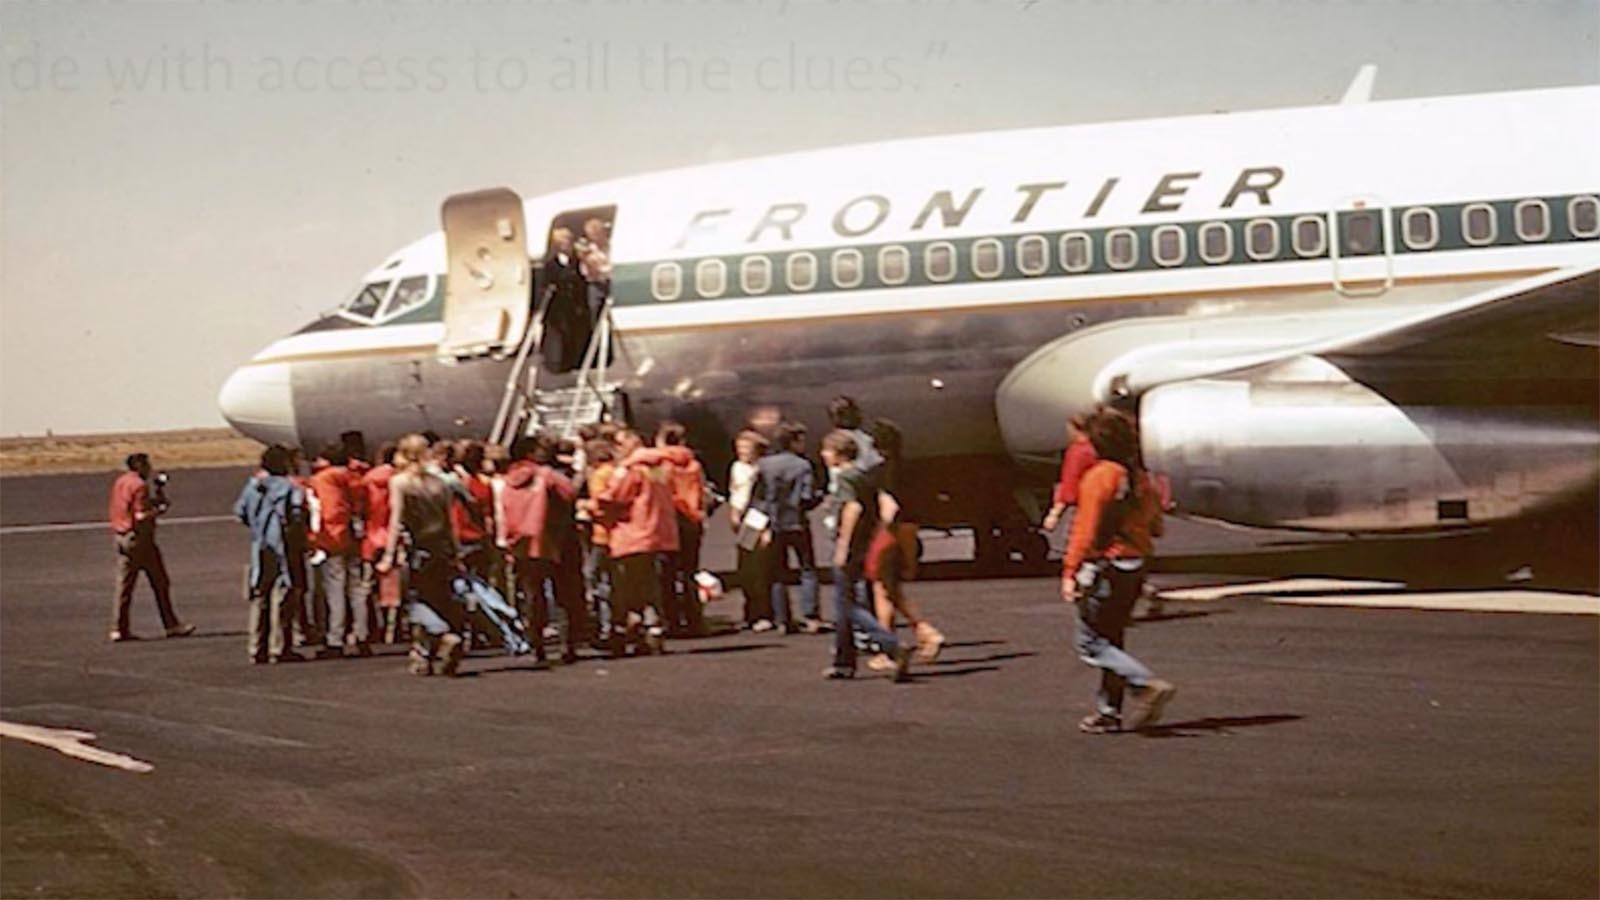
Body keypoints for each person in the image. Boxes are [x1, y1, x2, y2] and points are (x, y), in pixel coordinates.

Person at [1061, 408, 1175, 734]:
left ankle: (1145, 683)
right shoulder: (1141, 478)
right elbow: (1157, 528)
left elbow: (1085, 531)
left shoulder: (1100, 477)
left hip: (1105, 565)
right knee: (1113, 638)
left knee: (1091, 643)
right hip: (1136, 564)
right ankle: (1108, 712)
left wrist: (1070, 571)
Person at [818, 431, 911, 682]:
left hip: (850, 546)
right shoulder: (864, 476)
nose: (823, 455)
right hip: (866, 544)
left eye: (826, 451)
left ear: (838, 454)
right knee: (845, 604)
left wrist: (843, 546)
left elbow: (853, 508)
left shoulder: (846, 478)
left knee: (846, 604)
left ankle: (889, 644)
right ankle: (843, 662)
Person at [378, 434, 467, 676]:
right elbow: (449, 523)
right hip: (442, 549)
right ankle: (425, 653)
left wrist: (388, 555)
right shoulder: (441, 484)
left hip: (416, 549)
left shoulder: (400, 482)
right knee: (439, 599)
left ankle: (441, 637)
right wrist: (456, 552)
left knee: (416, 602)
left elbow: (397, 520)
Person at [591, 428, 679, 657]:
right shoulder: (661, 468)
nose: (616, 449)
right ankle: (654, 630)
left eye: (619, 444)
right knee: (649, 586)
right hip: (656, 533)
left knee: (624, 589)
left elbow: (614, 497)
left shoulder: (630, 470)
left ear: (629, 445)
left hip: (631, 533)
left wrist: (590, 505)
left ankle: (624, 633)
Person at [497, 432, 582, 663]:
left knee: (532, 595)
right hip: (555, 538)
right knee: (565, 593)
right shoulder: (547, 475)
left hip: (523, 541)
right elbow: (570, 493)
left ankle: (536, 644)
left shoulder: (509, 479)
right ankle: (568, 645)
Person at [107, 453, 194, 641]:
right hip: (140, 540)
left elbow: (126, 506)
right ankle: (171, 624)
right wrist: (158, 511)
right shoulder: (139, 485)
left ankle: (118, 627)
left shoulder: (121, 482)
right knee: (160, 582)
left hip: (121, 536)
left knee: (125, 585)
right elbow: (140, 515)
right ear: (139, 466)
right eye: (147, 465)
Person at [235, 445, 308, 664]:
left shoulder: (253, 487)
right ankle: (279, 646)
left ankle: (256, 647)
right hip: (284, 546)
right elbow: (296, 515)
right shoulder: (290, 488)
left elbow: (240, 512)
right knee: (282, 595)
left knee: (259, 596)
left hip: (260, 546)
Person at [752, 421, 826, 635]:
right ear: (794, 441)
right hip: (797, 522)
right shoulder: (803, 466)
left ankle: (783, 619)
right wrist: (818, 499)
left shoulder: (764, 465)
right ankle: (811, 616)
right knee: (807, 569)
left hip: (774, 524)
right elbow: (807, 497)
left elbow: (758, 497)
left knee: (777, 573)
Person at [309, 443, 372, 657]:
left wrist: (317, 539)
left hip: (333, 537)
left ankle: (335, 638)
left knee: (335, 589)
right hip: (354, 536)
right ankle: (362, 635)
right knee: (357, 589)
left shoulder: (324, 479)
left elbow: (326, 510)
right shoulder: (355, 478)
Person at [655, 421, 708, 637]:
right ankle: (694, 619)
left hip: (669, 520)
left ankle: (671, 620)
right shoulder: (694, 465)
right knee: (689, 572)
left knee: (666, 574)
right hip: (692, 520)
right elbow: (702, 491)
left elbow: (657, 491)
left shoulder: (660, 465)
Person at [727, 429, 772, 630]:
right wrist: (734, 513)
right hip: (742, 518)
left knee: (759, 568)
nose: (742, 452)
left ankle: (763, 613)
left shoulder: (762, 470)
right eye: (739, 448)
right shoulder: (737, 467)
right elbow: (734, 492)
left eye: (746, 448)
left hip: (756, 518)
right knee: (745, 567)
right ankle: (749, 612)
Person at [362, 443, 403, 643]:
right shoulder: (399, 481)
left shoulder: (368, 480)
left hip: (371, 536)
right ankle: (392, 629)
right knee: (394, 586)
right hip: (392, 535)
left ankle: (371, 627)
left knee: (368, 585)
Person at [538, 227, 591, 373]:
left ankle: (578, 363)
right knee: (561, 339)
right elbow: (547, 286)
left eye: (568, 240)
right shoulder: (550, 265)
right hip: (559, 309)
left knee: (577, 336)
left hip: (575, 308)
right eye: (563, 240)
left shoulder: (576, 262)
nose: (567, 243)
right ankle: (561, 365)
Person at [1042, 414, 1097, 534]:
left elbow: (1070, 485)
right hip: (1092, 506)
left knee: (1061, 547)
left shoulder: (1077, 452)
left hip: (1074, 509)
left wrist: (1054, 513)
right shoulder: (1095, 449)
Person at [577, 216, 612, 325]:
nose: (594, 237)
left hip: (609, 281)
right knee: (594, 310)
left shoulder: (611, 246)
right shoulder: (587, 249)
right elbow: (585, 269)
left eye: (597, 233)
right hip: (595, 284)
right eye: (591, 234)